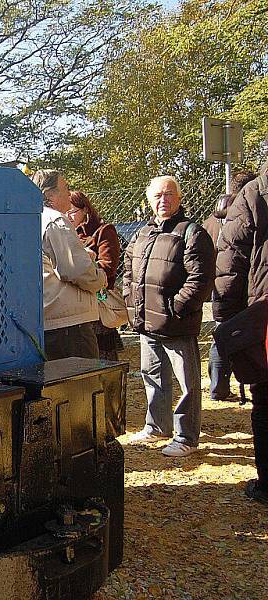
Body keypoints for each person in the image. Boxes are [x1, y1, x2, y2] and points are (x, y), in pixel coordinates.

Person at [124, 176, 215, 457]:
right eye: (157, 196)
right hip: (146, 323)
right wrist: (130, 296)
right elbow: (129, 267)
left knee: (187, 383)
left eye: (169, 194)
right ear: (149, 200)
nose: (163, 200)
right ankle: (156, 426)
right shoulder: (143, 233)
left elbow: (200, 279)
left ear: (178, 198)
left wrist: (177, 307)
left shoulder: (192, 233)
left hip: (176, 325)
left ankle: (186, 436)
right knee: (152, 375)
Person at [214, 161, 268, 505]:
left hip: (264, 314)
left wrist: (230, 325)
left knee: (265, 400)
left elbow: (231, 263)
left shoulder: (255, 193)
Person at [32, 170, 107, 360]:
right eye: (65, 188)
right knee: (82, 386)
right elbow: (76, 270)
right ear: (50, 195)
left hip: (45, 319)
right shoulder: (55, 220)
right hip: (69, 325)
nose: (69, 193)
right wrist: (100, 278)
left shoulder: (30, 217)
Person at [203, 171, 257, 401]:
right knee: (245, 336)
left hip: (218, 286)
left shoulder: (211, 221)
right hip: (241, 287)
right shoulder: (249, 213)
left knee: (221, 335)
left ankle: (218, 387)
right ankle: (250, 381)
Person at [67, 191, 124, 360]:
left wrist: (85, 264)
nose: (69, 216)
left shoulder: (104, 230)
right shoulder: (65, 233)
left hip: (98, 307)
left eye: (73, 211)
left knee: (103, 361)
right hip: (74, 308)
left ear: (85, 210)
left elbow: (108, 268)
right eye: (66, 212)